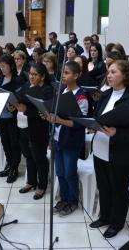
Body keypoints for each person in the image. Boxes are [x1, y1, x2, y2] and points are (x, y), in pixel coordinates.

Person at [89, 60, 129, 238]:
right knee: (104, 187)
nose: (109, 75)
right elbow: (99, 117)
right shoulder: (105, 95)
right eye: (108, 72)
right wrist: (93, 125)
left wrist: (116, 134)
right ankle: (105, 216)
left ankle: (117, 223)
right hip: (100, 150)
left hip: (122, 154)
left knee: (119, 189)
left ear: (125, 76)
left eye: (113, 72)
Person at [43, 61, 89, 216]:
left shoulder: (81, 96)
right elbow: (56, 116)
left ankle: (73, 201)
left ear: (76, 76)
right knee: (60, 172)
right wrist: (49, 117)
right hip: (57, 138)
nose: (63, 75)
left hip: (71, 141)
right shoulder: (61, 91)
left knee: (70, 172)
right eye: (63, 72)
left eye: (67, 73)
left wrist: (59, 120)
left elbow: (80, 123)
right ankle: (63, 199)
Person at [16, 63, 54, 200]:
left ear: (42, 77)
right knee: (28, 156)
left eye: (34, 74)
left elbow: (43, 111)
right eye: (30, 74)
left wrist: (25, 109)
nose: (31, 76)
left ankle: (42, 185)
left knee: (39, 158)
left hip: (39, 129)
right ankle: (31, 182)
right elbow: (18, 97)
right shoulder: (27, 85)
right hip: (23, 127)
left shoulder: (47, 90)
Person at [0, 55, 24, 183]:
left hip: (13, 116)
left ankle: (14, 168)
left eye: (4, 67)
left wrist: (15, 106)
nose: (2, 69)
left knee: (14, 142)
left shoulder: (18, 80)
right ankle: (9, 164)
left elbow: (21, 98)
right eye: (0, 66)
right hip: (1, 115)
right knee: (5, 141)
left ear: (11, 66)